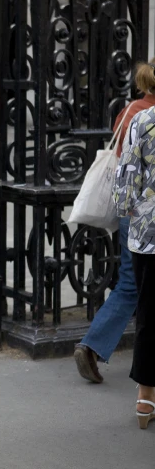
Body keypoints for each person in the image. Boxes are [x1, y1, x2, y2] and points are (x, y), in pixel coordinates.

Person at [74, 61, 155, 383]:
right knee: (134, 286)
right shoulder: (148, 115)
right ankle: (94, 345)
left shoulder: (132, 109)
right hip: (147, 212)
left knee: (130, 282)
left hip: (130, 207)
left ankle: (93, 345)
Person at [114, 89, 155, 429]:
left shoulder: (142, 120)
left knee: (149, 315)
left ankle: (146, 395)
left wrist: (128, 210)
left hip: (149, 232)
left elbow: (127, 181)